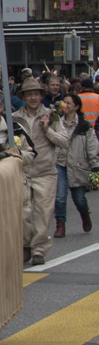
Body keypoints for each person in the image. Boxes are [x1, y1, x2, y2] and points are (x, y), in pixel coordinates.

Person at [13, 78, 68, 267]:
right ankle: (25, 244)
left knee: (43, 213)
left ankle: (39, 249)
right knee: (22, 212)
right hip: (23, 170)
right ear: (24, 97)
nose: (33, 97)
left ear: (41, 96)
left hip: (45, 170)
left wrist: (47, 131)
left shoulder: (51, 116)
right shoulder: (15, 117)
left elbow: (64, 141)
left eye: (36, 94)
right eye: (29, 94)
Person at [52, 93, 98, 239]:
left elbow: (92, 146)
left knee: (79, 198)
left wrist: (95, 166)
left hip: (77, 165)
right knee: (60, 197)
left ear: (76, 107)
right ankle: (60, 225)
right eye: (64, 102)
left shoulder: (84, 126)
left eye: (69, 103)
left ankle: (85, 215)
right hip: (60, 163)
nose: (65, 105)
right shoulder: (57, 121)